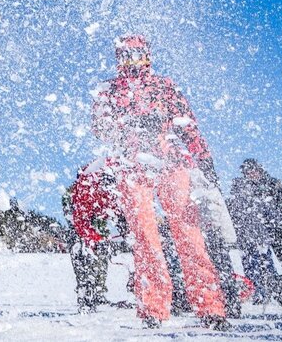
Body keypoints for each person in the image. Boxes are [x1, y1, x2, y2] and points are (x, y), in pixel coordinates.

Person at [91, 35, 229, 330]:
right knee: (144, 236)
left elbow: (187, 122)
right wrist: (128, 125)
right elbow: (100, 126)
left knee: (188, 232)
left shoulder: (163, 85)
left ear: (147, 54)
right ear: (118, 58)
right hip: (132, 165)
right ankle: (153, 306)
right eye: (126, 55)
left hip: (171, 162)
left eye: (137, 54)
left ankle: (209, 305)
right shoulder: (109, 90)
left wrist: (204, 158)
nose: (132, 61)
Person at [228, 159, 282, 303]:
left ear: (259, 170)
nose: (250, 174)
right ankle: (262, 292)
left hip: (278, 228)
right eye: (247, 172)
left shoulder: (273, 183)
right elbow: (237, 209)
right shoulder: (242, 187)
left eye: (253, 170)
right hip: (255, 232)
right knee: (257, 263)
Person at [62, 158, 124, 313]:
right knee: (83, 263)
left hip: (98, 232)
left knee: (100, 262)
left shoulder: (104, 191)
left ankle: (97, 292)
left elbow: (113, 209)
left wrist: (120, 222)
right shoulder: (75, 192)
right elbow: (76, 217)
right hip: (79, 233)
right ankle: (86, 295)